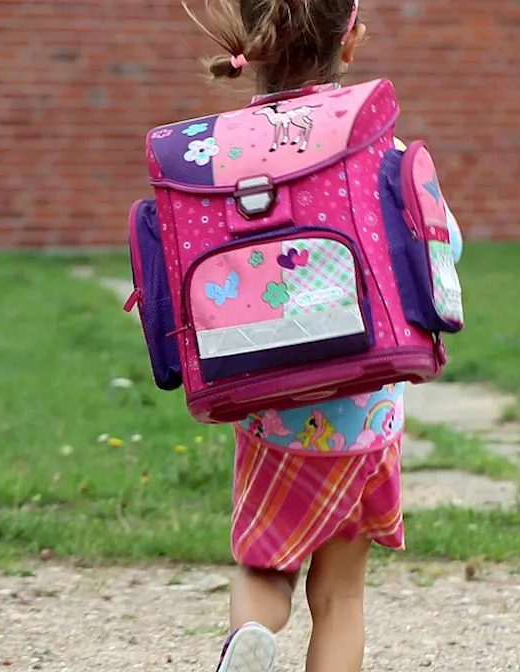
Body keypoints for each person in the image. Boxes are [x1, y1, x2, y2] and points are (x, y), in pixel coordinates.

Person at [180, 1, 463, 671]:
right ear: (352, 40)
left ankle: (251, 641)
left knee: (264, 568)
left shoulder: (217, 152)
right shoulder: (376, 145)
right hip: (365, 410)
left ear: (251, 39)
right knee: (339, 596)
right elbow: (442, 246)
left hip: (268, 408)